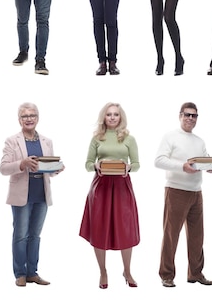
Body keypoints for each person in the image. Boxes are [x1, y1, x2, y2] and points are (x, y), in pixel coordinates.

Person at [0, 102, 63, 287]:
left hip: (41, 195)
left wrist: (56, 169)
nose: (29, 119)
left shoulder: (46, 141)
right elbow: (3, 168)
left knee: (35, 235)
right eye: (25, 116)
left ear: (38, 118)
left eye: (32, 115)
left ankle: (32, 273)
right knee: (21, 235)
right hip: (22, 195)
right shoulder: (12, 141)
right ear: (19, 119)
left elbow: (48, 170)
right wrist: (22, 163)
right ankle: (20, 273)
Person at [155, 102, 212, 288]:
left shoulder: (199, 141)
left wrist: (210, 167)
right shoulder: (171, 137)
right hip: (176, 190)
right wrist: (181, 166)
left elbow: (204, 158)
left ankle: (196, 274)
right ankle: (166, 275)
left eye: (194, 116)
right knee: (171, 235)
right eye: (187, 115)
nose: (191, 118)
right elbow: (159, 161)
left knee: (197, 236)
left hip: (196, 192)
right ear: (180, 115)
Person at [79, 103, 140, 289]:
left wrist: (129, 167)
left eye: (116, 114)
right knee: (99, 229)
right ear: (103, 117)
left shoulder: (129, 139)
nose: (112, 118)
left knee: (125, 229)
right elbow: (88, 163)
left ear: (121, 117)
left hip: (122, 187)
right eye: (109, 115)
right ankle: (103, 272)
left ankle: (127, 271)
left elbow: (136, 164)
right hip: (101, 188)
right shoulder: (97, 138)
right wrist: (95, 166)